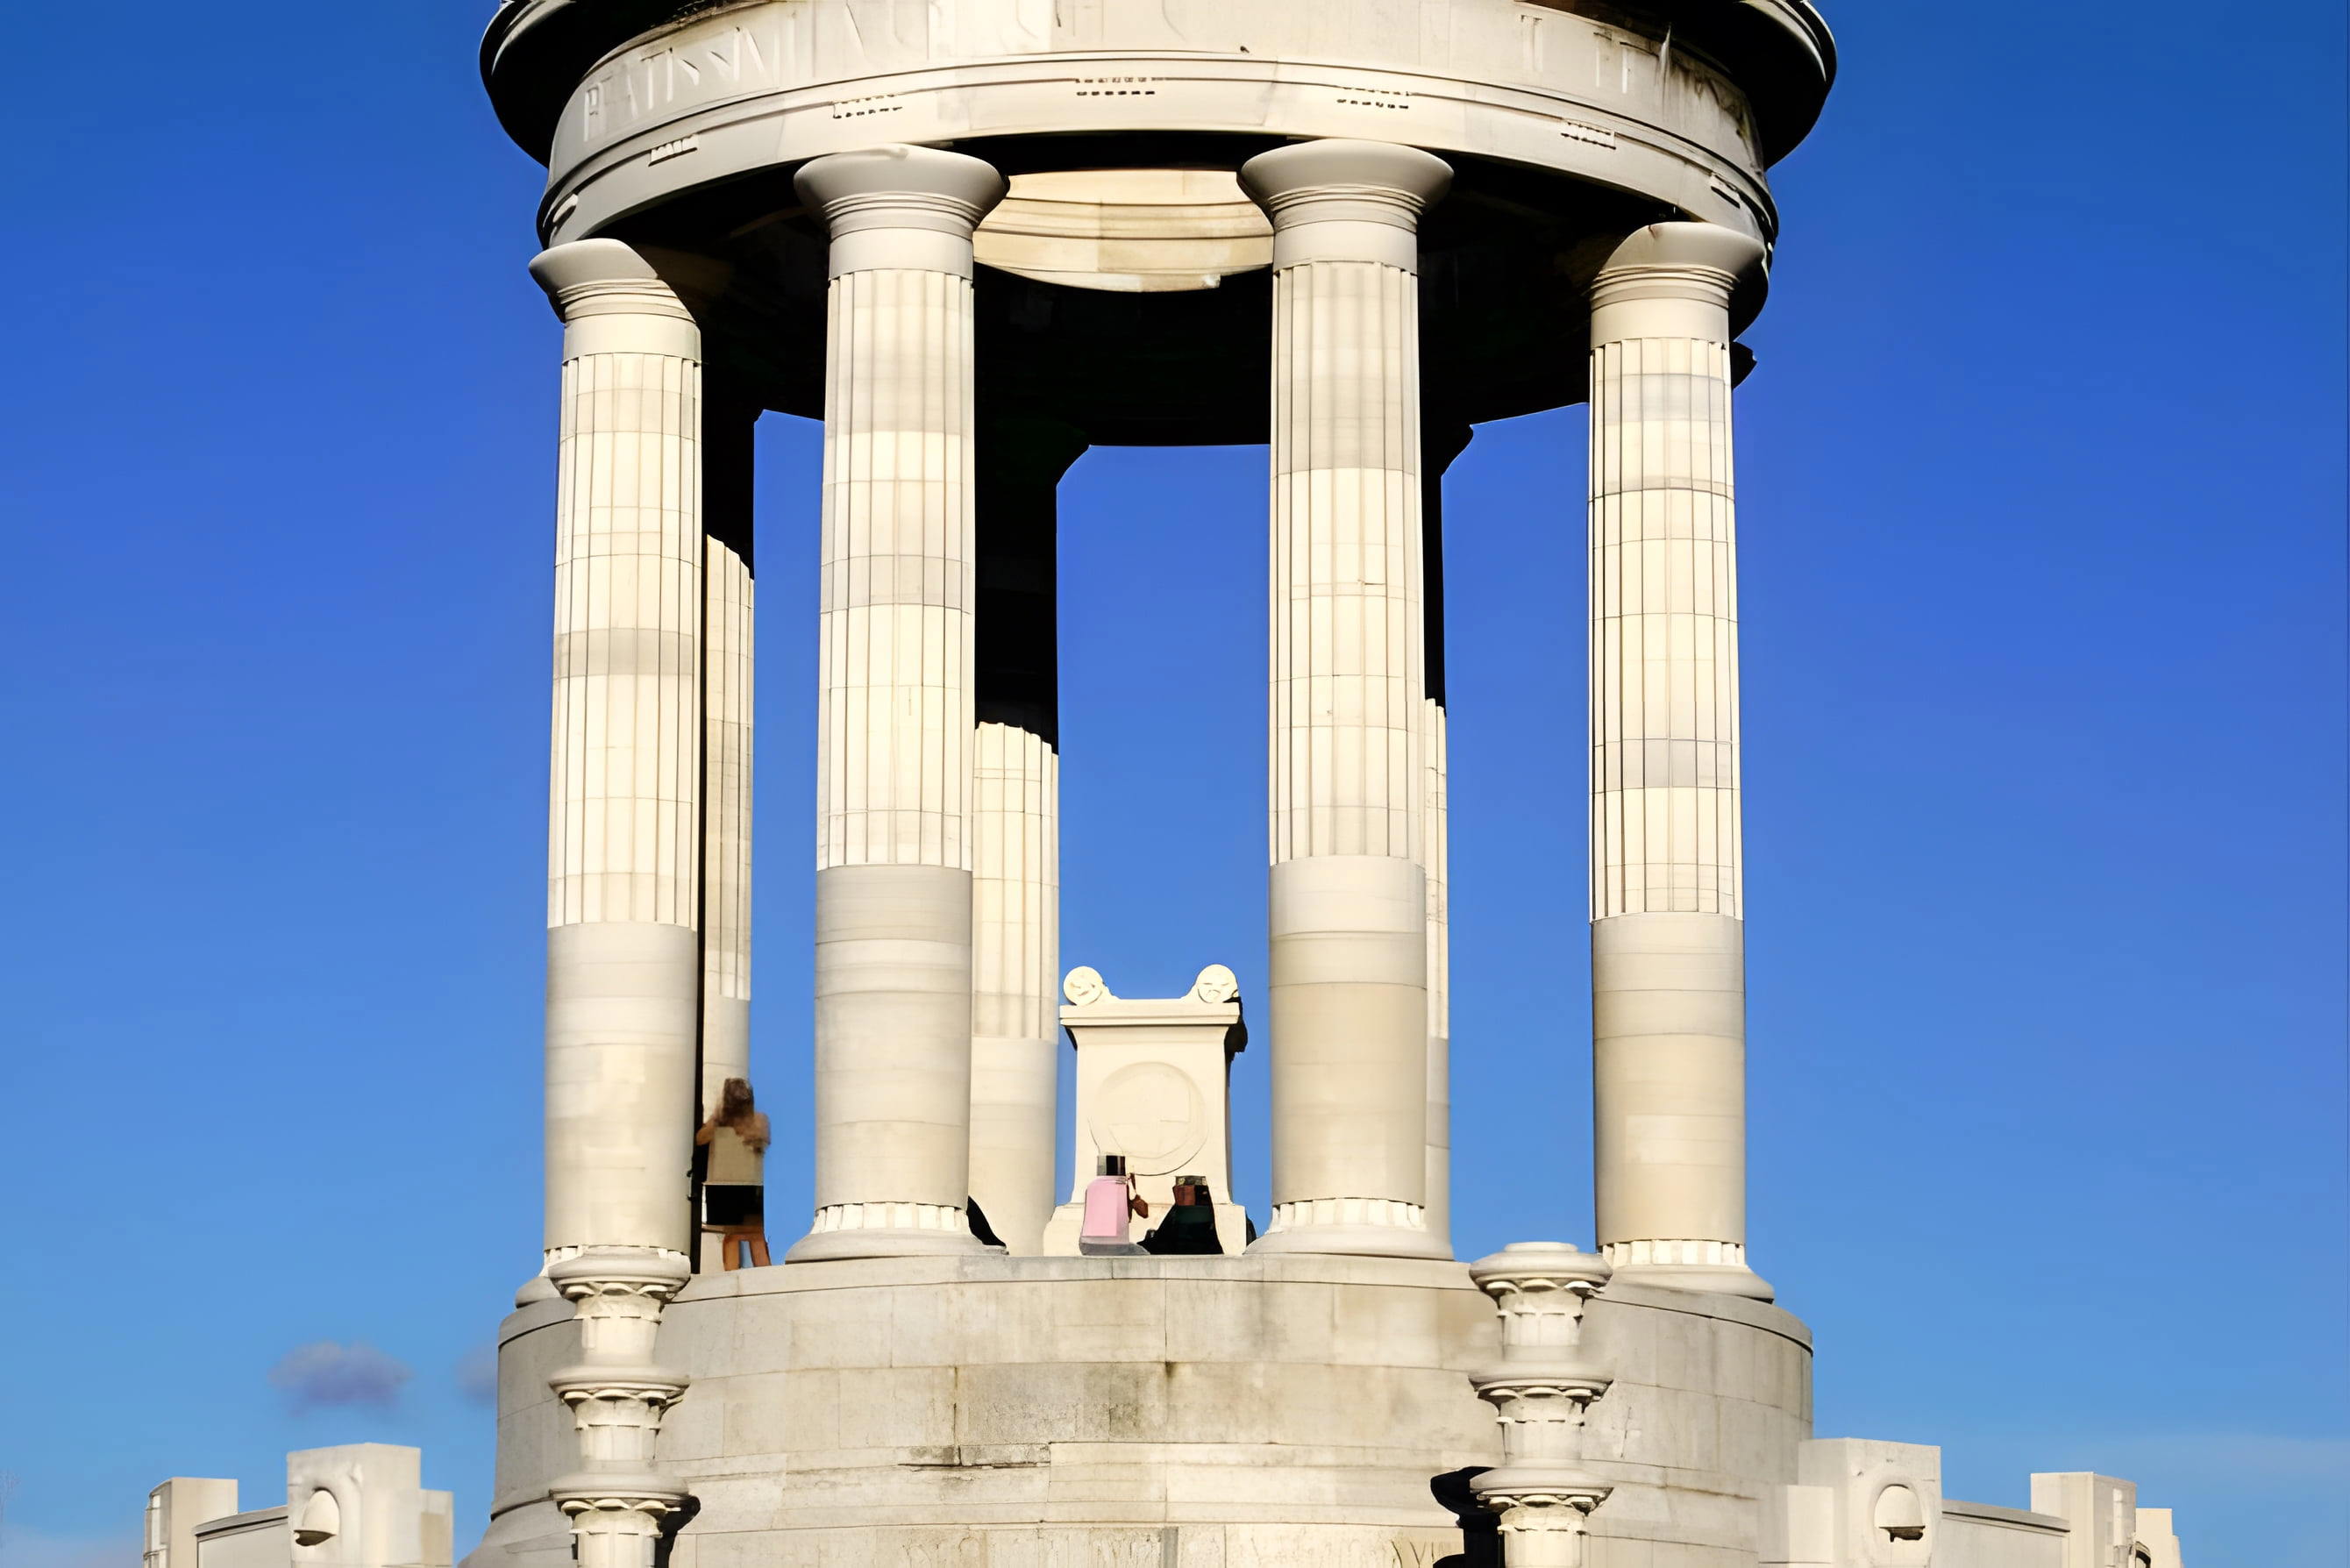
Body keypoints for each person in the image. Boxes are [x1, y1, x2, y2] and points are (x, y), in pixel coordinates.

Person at [696, 1077, 770, 1269]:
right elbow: (700, 1139)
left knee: (745, 1236)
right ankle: (748, 1274)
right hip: (734, 1184)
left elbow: (700, 1139)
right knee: (743, 1236)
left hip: (739, 1184)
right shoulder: (750, 1121)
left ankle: (738, 1274)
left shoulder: (755, 1121)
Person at [1078, 1154, 1150, 1256]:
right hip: (1116, 1246)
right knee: (1143, 1254)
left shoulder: (1092, 1186)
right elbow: (1142, 1213)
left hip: (1087, 1246)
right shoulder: (1121, 1186)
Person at [1140, 1175, 1224, 1256]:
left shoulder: (1202, 1220)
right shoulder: (1174, 1218)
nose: (1181, 1195)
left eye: (1185, 1193)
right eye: (1179, 1191)